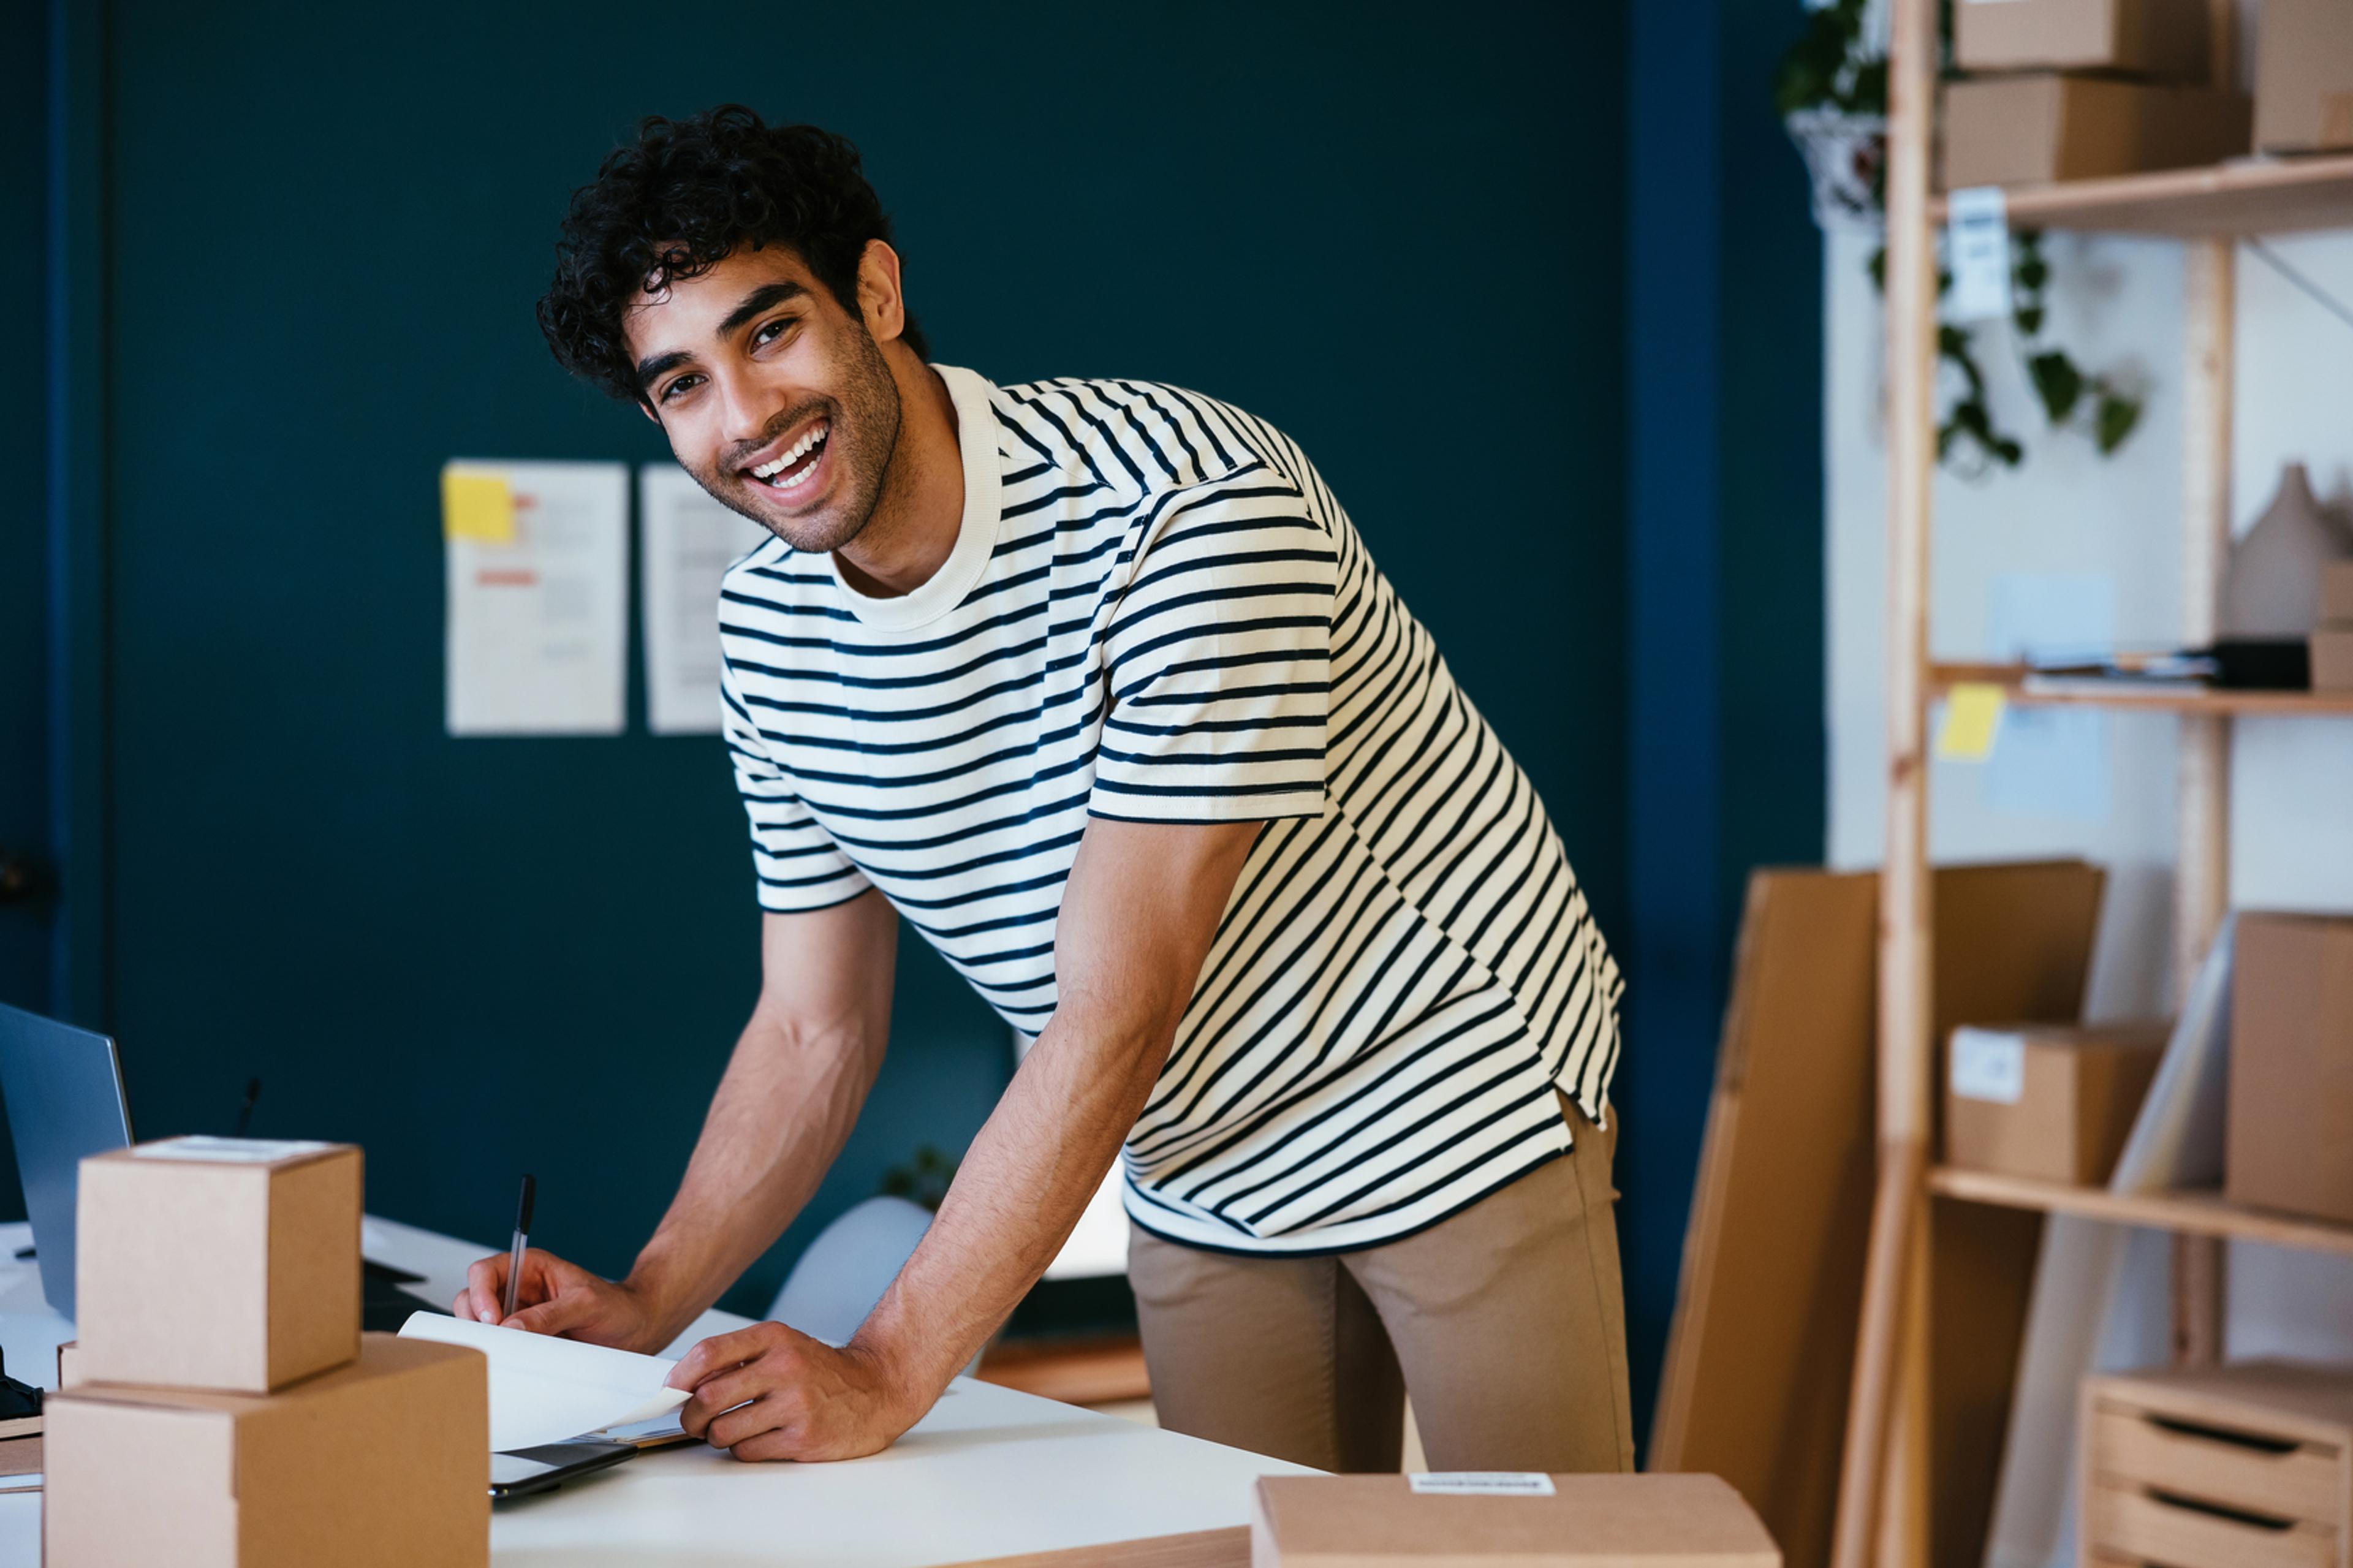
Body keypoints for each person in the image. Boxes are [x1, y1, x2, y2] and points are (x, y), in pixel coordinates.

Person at [460, 104, 1629, 1474]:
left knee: (1549, 1550)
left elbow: (1117, 1012)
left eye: (770, 330)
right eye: (682, 384)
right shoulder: (769, 633)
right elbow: (809, 1031)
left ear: (876, 296)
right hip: (1196, 1153)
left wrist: (887, 1368)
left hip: (1445, 1076)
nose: (746, 417)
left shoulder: (1190, 510)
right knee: (1246, 1543)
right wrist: (648, 1300)